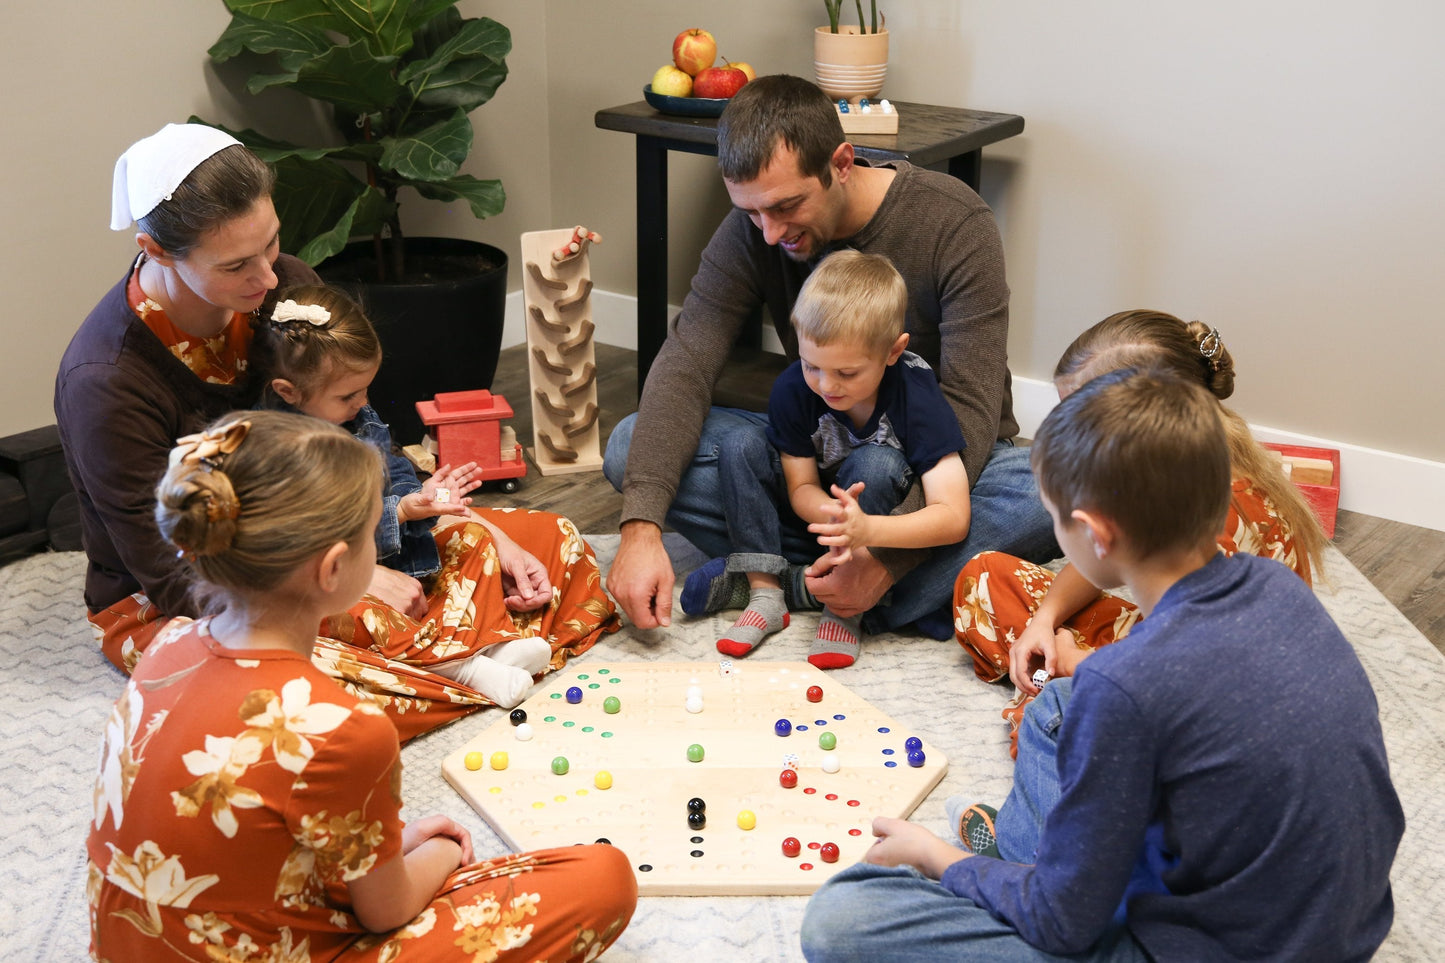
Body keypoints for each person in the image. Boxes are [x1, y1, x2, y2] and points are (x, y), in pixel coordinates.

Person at [800, 368, 1403, 963]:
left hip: (1210, 946)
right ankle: (1029, 853)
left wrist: (938, 857)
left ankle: (1019, 856)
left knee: (845, 918)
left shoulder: (1124, 686)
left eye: (1057, 519)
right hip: (1342, 931)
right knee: (1058, 706)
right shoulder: (1277, 586)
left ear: (1093, 534)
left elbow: (1059, 923)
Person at [56, 124, 616, 739]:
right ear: (157, 251)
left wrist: (464, 520)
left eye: (271, 245)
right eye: (237, 264)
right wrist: (340, 580)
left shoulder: (289, 290)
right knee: (277, 706)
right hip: (205, 591)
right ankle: (464, 659)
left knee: (548, 543)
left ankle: (445, 660)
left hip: (344, 536)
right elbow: (173, 576)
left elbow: (360, 445)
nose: (268, 278)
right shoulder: (106, 383)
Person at [87, 410, 637, 962]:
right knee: (601, 878)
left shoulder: (165, 646)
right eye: (374, 536)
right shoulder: (344, 726)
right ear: (333, 570)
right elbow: (388, 911)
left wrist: (383, 842)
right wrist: (443, 852)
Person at [603, 74, 1057, 638]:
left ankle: (782, 576)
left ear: (841, 163)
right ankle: (852, 584)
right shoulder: (756, 228)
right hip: (820, 459)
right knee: (631, 448)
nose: (768, 234)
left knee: (1046, 490)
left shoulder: (954, 222)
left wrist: (885, 557)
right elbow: (688, 360)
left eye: (786, 206)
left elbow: (972, 405)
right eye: (750, 213)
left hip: (941, 467)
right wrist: (641, 528)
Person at [953, 310, 1329, 755]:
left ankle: (1053, 712)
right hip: (1164, 653)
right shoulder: (1162, 472)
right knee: (986, 576)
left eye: (1079, 417)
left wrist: (1077, 662)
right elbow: (1100, 559)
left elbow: (1182, 676)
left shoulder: (1218, 518)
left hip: (1212, 701)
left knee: (1057, 725)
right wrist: (1045, 620)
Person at [251, 283, 608, 708]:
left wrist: (421, 496)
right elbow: (311, 536)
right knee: (348, 614)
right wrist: (398, 513)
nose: (363, 402)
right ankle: (465, 668)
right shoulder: (275, 448)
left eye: (366, 389)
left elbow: (395, 467)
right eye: (348, 395)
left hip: (404, 559)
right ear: (288, 392)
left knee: (477, 540)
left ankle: (491, 644)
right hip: (337, 579)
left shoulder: (356, 414)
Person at [685, 251, 970, 668]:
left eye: (848, 373)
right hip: (823, 517)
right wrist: (837, 519)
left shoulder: (917, 396)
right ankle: (765, 591)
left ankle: (844, 605)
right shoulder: (794, 389)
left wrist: (866, 528)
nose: (826, 385)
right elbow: (800, 485)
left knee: (877, 464)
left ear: (894, 351)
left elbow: (954, 516)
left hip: (882, 528)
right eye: (811, 365)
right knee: (739, 444)